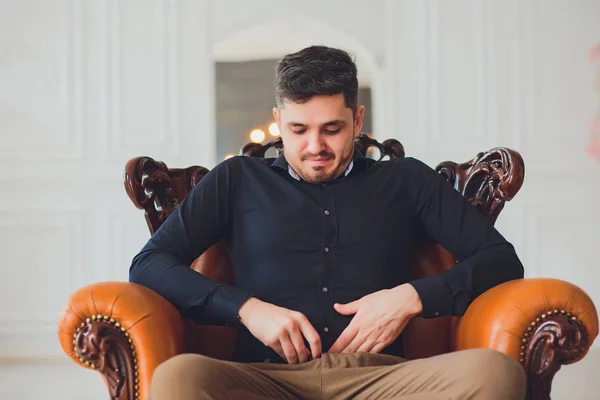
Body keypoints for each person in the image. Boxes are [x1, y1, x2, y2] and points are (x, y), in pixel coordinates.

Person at [129, 45, 526, 399]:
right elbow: (149, 264)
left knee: (494, 372)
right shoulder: (236, 180)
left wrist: (411, 297)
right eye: (298, 130)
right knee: (179, 376)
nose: (314, 146)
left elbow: (500, 260)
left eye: (331, 129)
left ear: (357, 119)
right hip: (264, 379)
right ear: (278, 119)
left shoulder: (407, 180)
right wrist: (246, 308)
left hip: (382, 380)